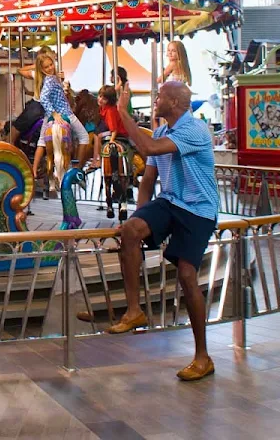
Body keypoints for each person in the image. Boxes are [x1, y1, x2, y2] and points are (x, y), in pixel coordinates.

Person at [82, 81, 218, 382]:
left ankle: (202, 355)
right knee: (129, 231)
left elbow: (147, 149)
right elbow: (147, 180)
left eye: (159, 97)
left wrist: (121, 112)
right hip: (171, 202)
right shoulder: (160, 131)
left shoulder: (193, 130)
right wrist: (141, 218)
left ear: (174, 101)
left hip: (198, 208)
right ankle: (133, 310)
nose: (156, 101)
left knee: (186, 275)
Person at [19, 50, 91, 192]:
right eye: (46, 67)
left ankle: (33, 170)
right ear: (42, 69)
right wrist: (55, 113)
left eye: (51, 64)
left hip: (49, 115)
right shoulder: (51, 80)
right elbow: (45, 98)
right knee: (84, 137)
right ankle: (77, 168)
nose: (50, 68)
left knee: (41, 141)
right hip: (65, 113)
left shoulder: (48, 79)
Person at [92, 84, 133, 218]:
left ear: (109, 100)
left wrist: (111, 142)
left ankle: (97, 160)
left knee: (99, 138)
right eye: (99, 96)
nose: (100, 100)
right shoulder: (103, 109)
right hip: (114, 134)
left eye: (103, 98)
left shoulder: (109, 110)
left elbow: (114, 129)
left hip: (117, 136)